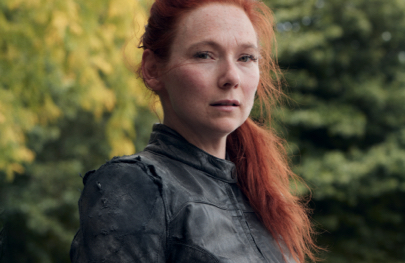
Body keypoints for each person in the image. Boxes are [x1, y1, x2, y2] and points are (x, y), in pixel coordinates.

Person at [70, 0, 318, 262]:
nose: (231, 77)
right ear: (153, 70)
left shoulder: (262, 199)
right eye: (204, 55)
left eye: (246, 57)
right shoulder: (134, 185)